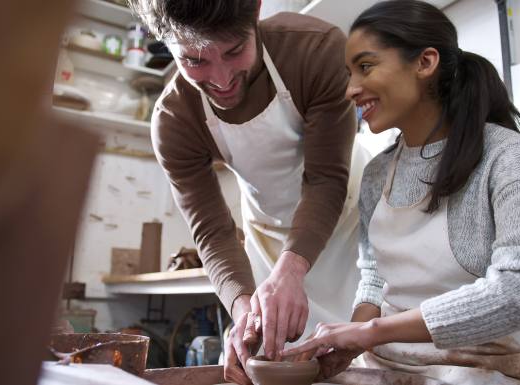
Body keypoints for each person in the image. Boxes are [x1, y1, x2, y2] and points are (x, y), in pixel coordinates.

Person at [281, 1, 520, 384]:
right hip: (386, 366)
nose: (351, 89)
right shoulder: (376, 174)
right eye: (349, 73)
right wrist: (348, 344)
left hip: (483, 368)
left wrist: (372, 333)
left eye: (365, 67)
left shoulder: (508, 155)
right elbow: (373, 277)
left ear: (425, 62)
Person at [127, 1, 367, 384]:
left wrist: (293, 269)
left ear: (255, 10)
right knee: (272, 352)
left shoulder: (315, 50)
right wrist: (243, 309)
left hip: (351, 226)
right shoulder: (174, 120)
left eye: (234, 51)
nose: (221, 80)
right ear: (166, 43)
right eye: (194, 61)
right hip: (268, 239)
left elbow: (326, 179)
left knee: (368, 360)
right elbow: (213, 231)